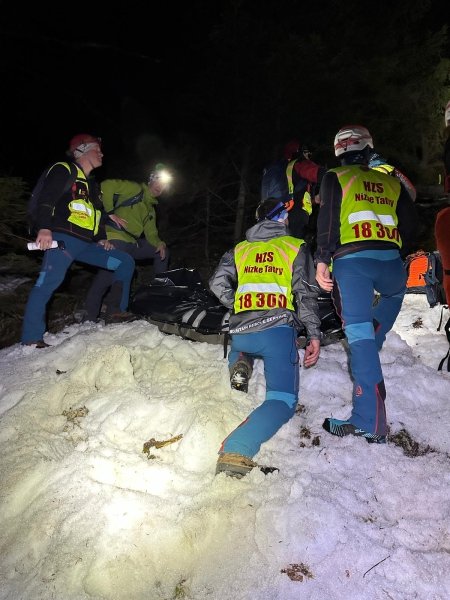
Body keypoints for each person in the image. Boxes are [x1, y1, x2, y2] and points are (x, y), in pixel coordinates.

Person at [315, 125, 418, 443]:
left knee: (359, 341)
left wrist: (322, 259)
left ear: (339, 150)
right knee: (379, 319)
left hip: (352, 265)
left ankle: (368, 423)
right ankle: (370, 355)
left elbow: (328, 221)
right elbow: (411, 222)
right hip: (391, 265)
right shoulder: (390, 180)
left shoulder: (336, 177)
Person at [209, 197, 321, 478]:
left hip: (242, 332)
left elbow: (216, 283)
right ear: (281, 217)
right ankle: (238, 448)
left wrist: (236, 303)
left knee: (245, 346)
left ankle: (241, 359)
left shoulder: (241, 248)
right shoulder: (295, 246)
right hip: (275, 331)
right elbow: (305, 294)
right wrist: (314, 334)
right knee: (282, 401)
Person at [21, 134, 136, 348]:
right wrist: (44, 227)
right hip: (62, 239)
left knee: (124, 261)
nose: (101, 153)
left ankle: (115, 311)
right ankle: (30, 338)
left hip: (87, 244)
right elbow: (47, 198)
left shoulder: (92, 186)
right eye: (96, 149)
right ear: (81, 150)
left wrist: (102, 239)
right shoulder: (63, 169)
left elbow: (95, 214)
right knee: (48, 282)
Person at [83, 165, 171, 323]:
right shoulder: (135, 189)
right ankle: (98, 315)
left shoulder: (150, 209)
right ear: (151, 180)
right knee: (105, 277)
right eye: (159, 181)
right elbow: (107, 185)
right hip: (116, 237)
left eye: (164, 185)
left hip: (133, 243)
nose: (161, 187)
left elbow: (151, 234)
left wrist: (159, 243)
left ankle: (160, 294)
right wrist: (110, 213)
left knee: (162, 252)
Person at [261, 139, 326, 242]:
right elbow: (319, 174)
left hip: (275, 216)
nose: (309, 156)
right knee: (296, 248)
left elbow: (296, 195)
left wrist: (314, 199)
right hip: (294, 217)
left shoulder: (279, 169)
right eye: (307, 153)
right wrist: (337, 175)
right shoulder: (299, 164)